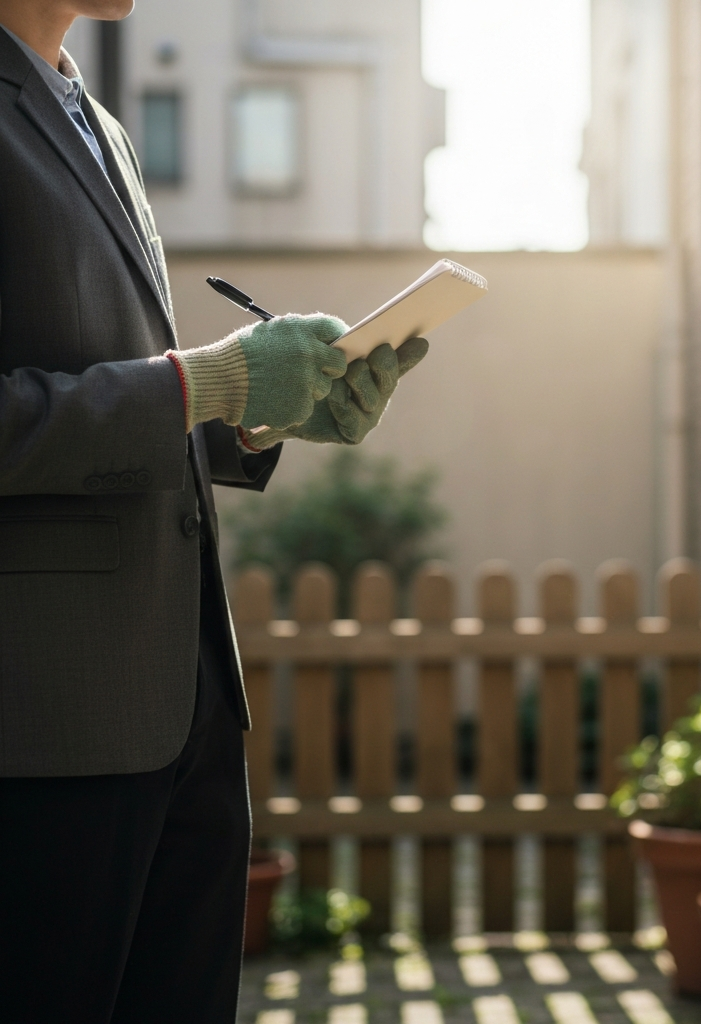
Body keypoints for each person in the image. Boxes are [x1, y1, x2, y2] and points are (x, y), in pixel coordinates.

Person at [0, 1, 428, 1020]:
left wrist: (259, 422)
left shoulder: (97, 122)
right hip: (41, 730)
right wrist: (211, 384)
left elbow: (121, 397)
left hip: (184, 712)